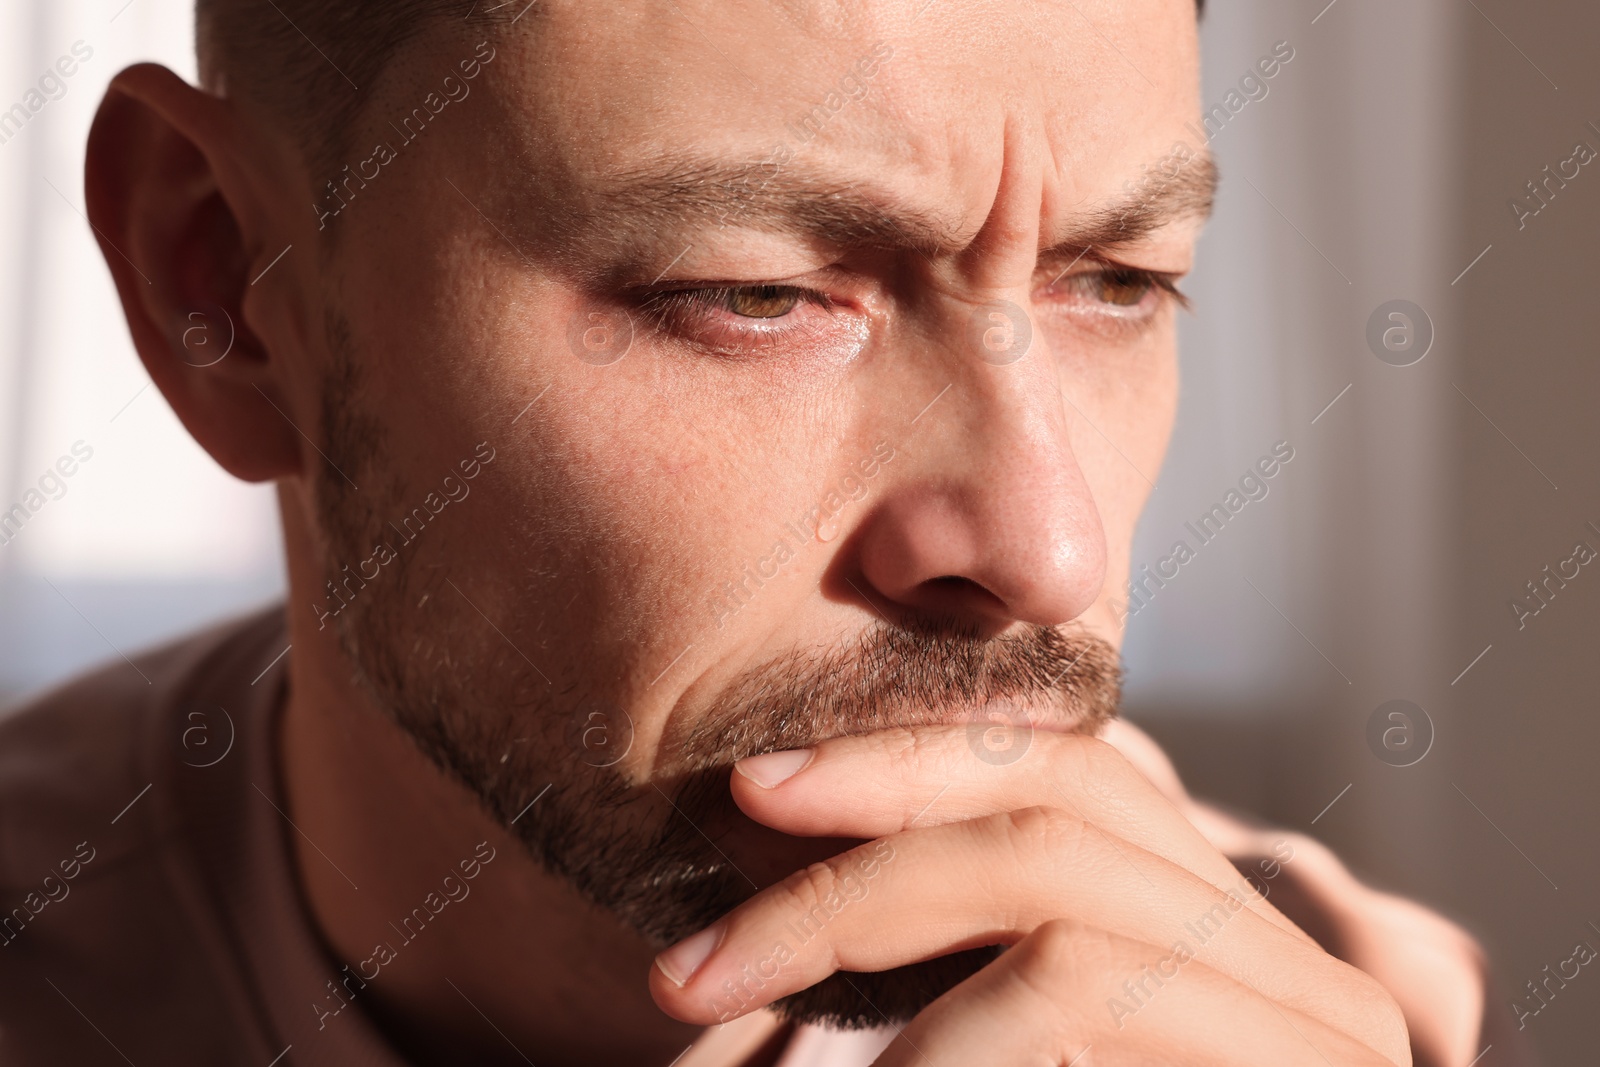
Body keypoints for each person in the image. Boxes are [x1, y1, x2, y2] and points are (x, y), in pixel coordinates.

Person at [0, 0, 1530, 1063]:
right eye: (756, 294)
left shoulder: (1376, 1016)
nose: (1047, 552)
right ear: (225, 292)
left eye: (1117, 279)